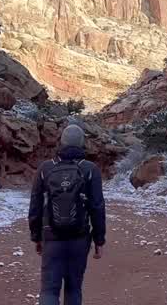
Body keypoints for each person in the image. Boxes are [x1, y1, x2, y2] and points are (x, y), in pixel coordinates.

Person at [28, 123, 106, 305]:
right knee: (73, 288)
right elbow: (97, 207)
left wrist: (36, 237)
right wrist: (99, 240)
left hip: (51, 236)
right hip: (80, 237)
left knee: (49, 289)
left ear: (61, 142)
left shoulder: (45, 169)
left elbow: (35, 206)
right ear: (82, 143)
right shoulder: (90, 169)